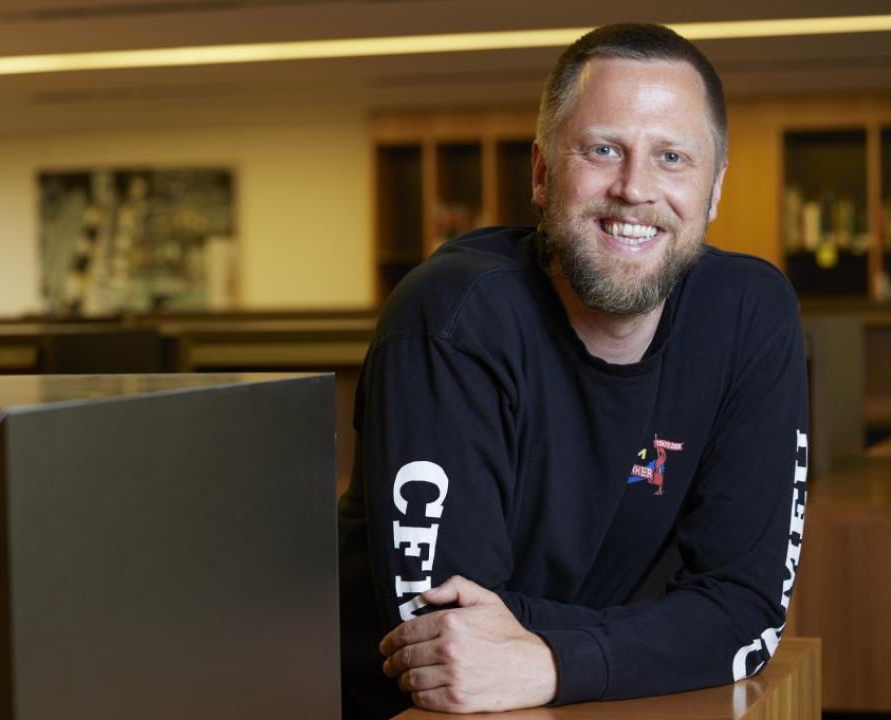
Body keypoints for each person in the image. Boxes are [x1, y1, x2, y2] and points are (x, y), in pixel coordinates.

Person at [337, 22, 809, 719]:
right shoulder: (453, 319)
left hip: (581, 700)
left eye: (673, 157)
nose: (634, 189)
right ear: (542, 173)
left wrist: (555, 661)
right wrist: (664, 628)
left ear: (712, 192)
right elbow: (447, 639)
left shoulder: (749, 315)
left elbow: (747, 609)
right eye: (603, 149)